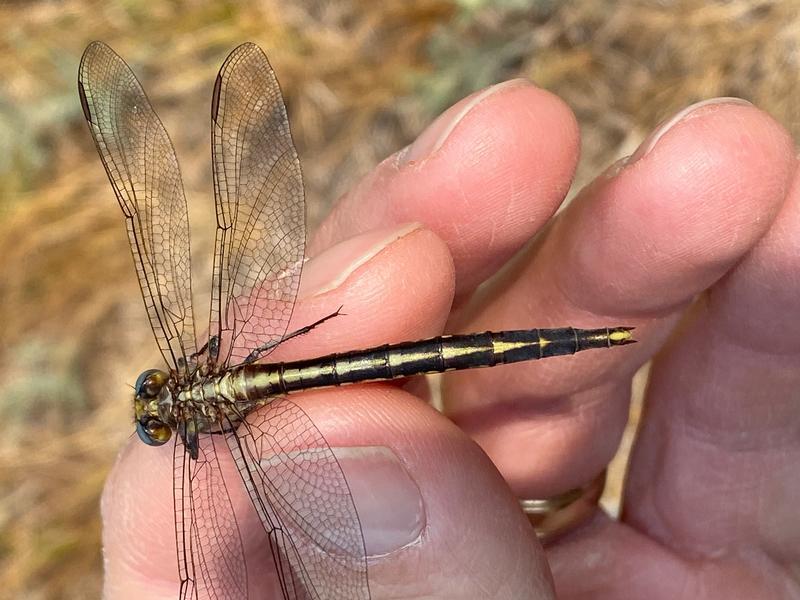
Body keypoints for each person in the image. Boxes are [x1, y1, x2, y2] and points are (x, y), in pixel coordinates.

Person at [101, 80, 799, 598]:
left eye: (156, 406)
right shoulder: (209, 369)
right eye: (157, 407)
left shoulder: (208, 437)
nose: (158, 405)